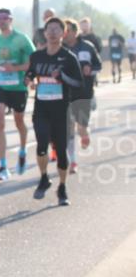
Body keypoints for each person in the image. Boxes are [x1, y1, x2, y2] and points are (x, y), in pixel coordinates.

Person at [26, 17, 84, 207]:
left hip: (61, 111)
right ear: (44, 33)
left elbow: (79, 84)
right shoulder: (36, 57)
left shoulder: (69, 58)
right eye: (49, 29)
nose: (52, 32)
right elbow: (30, 74)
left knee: (60, 149)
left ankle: (62, 187)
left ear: (63, 33)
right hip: (41, 108)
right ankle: (44, 178)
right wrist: (30, 81)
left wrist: (62, 77)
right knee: (41, 144)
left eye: (56, 29)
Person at [0, 8, 34, 181]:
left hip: (18, 87)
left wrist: (16, 69)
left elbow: (32, 61)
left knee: (19, 121)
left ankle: (22, 150)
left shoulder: (22, 39)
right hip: (0, 84)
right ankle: (3, 166)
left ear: (11, 20)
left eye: (4, 18)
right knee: (0, 119)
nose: (1, 21)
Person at [63, 18, 101, 173]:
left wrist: (90, 70)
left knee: (81, 128)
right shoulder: (60, 48)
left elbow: (99, 66)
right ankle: (73, 161)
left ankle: (85, 135)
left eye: (68, 31)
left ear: (75, 31)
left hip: (84, 92)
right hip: (66, 93)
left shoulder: (87, 47)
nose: (65, 34)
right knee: (69, 127)